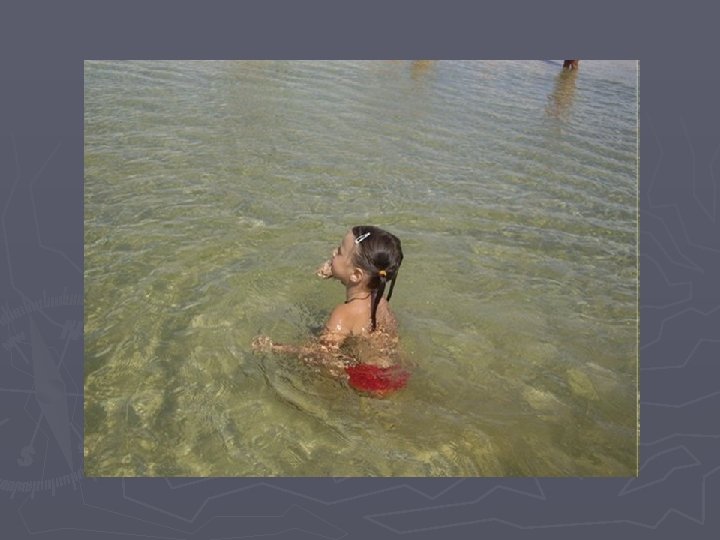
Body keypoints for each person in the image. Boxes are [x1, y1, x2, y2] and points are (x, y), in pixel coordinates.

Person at [252, 225, 409, 397]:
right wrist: (335, 270)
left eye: (339, 252)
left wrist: (276, 348)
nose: (333, 252)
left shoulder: (343, 314)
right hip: (396, 371)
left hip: (367, 379)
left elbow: (322, 354)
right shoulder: (380, 299)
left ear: (356, 275)